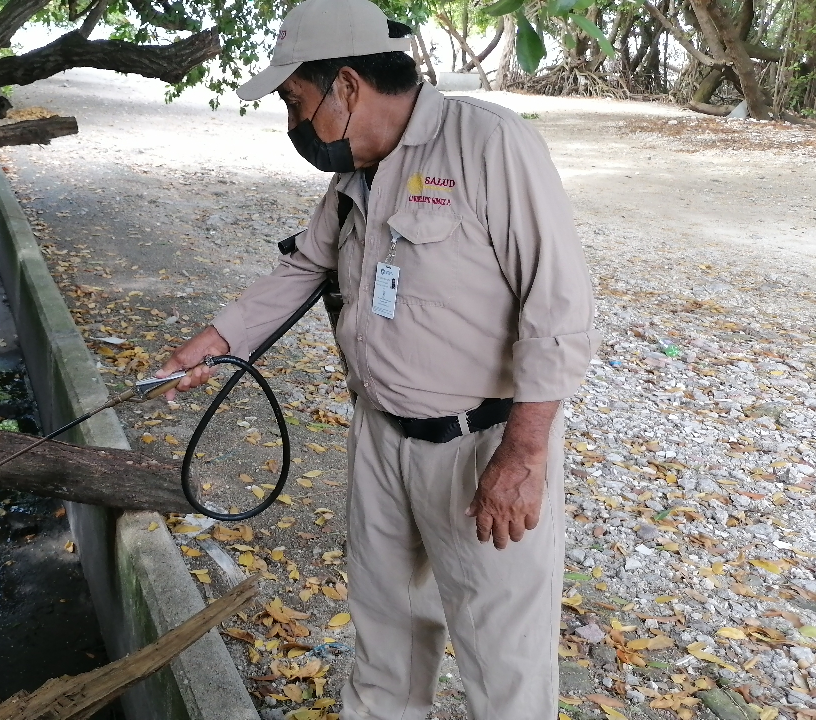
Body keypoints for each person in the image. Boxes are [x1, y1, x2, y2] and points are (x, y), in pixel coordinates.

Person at [155, 0, 601, 717]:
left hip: (480, 448)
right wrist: (215, 341)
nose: (294, 126)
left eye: (297, 104)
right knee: (385, 640)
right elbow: (304, 269)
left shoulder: (489, 144)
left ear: (349, 86)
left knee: (503, 663)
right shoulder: (356, 174)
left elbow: (559, 311)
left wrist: (522, 459)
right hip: (380, 438)